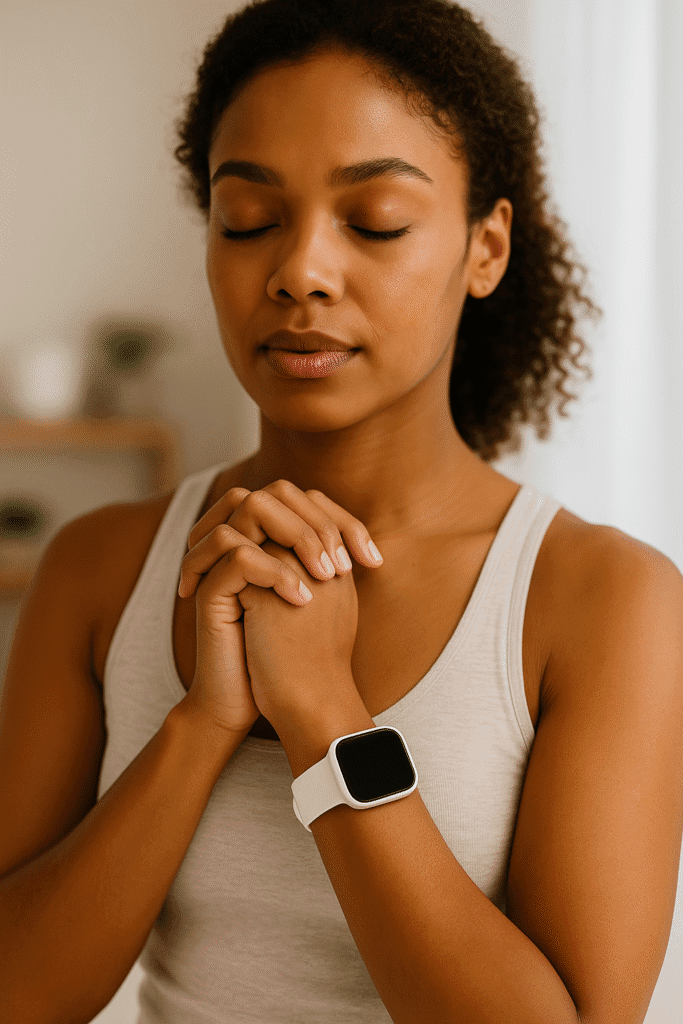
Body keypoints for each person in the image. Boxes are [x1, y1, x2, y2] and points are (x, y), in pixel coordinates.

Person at [1, 1, 682, 1021]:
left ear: (484, 246)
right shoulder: (101, 569)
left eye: (375, 223)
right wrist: (202, 724)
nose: (299, 271)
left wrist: (326, 716)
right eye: (248, 220)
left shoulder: (603, 600)